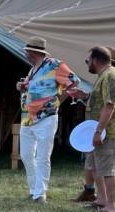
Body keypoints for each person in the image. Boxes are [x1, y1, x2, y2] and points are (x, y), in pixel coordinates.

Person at [16, 37, 84, 202]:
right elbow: (34, 88)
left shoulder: (54, 65)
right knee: (25, 155)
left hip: (46, 117)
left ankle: (40, 193)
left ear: (33, 52)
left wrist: (58, 100)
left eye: (27, 51)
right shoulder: (33, 69)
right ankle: (34, 189)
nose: (25, 54)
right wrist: (22, 87)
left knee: (42, 156)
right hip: (27, 118)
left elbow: (74, 81)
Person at [84, 45, 115, 212]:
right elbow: (102, 101)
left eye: (88, 60)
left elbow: (109, 106)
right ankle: (102, 199)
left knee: (108, 169)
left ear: (95, 60)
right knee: (96, 166)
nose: (87, 63)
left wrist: (98, 131)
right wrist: (85, 96)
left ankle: (111, 205)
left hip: (108, 130)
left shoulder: (110, 76)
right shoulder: (104, 76)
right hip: (100, 129)